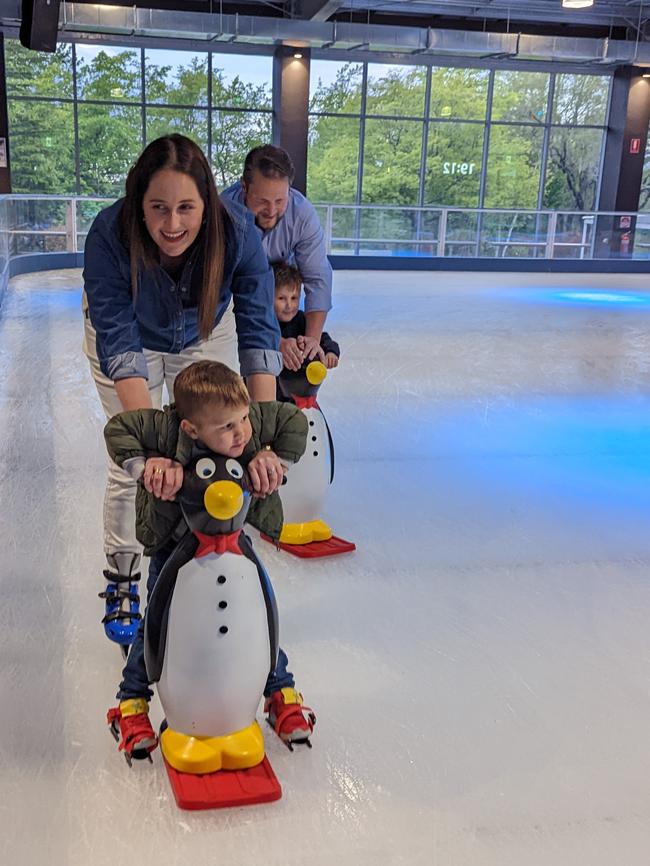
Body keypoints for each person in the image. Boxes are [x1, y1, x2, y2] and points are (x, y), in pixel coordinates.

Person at [82, 134, 282, 647]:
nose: (173, 225)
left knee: (208, 445)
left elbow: (260, 335)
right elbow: (121, 343)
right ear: (138, 204)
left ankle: (193, 567)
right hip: (124, 342)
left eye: (186, 208)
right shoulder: (109, 234)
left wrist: (259, 437)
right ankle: (124, 577)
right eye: (159, 208)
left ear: (207, 204)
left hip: (198, 334)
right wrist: (150, 450)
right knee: (137, 465)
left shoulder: (237, 233)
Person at [104, 360, 316, 759]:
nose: (241, 434)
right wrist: (147, 465)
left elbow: (294, 422)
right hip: (174, 546)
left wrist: (275, 460)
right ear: (191, 428)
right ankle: (130, 701)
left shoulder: (247, 421)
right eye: (226, 427)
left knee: (259, 617)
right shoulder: (168, 430)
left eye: (243, 420)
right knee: (158, 622)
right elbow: (118, 430)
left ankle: (279, 688)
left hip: (234, 543)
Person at [221, 145, 333, 371]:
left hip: (277, 295)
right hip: (233, 301)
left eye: (280, 201)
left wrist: (311, 340)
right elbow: (224, 296)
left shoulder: (302, 213)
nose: (271, 210)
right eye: (262, 201)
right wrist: (273, 341)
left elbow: (317, 278)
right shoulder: (223, 213)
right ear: (244, 186)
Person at [273, 261, 340, 372]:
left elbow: (324, 338)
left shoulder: (301, 319)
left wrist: (331, 352)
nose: (289, 305)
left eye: (294, 298)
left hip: (296, 384)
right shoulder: (266, 321)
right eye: (281, 298)